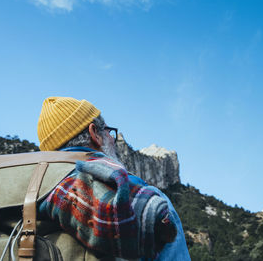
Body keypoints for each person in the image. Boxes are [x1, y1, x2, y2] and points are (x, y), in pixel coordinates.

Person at [36, 97, 191, 260]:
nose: (112, 139)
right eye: (108, 132)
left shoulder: (34, 197)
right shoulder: (148, 200)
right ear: (94, 133)